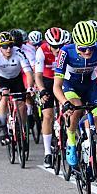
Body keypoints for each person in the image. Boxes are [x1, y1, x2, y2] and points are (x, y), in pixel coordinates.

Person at [53, 20, 97, 194]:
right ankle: (71, 141)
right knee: (76, 108)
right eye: (83, 49)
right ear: (76, 44)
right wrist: (63, 102)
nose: (88, 52)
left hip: (91, 86)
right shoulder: (65, 51)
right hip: (70, 86)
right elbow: (56, 86)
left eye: (90, 47)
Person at [0, 32, 34, 143]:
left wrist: (30, 87)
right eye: (4, 46)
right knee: (4, 97)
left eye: (10, 45)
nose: (8, 49)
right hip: (2, 79)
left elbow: (28, 73)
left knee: (22, 104)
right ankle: (3, 127)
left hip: (16, 78)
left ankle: (22, 128)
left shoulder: (19, 53)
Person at [35, 27, 68, 167]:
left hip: (63, 80)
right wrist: (42, 90)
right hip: (48, 81)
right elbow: (37, 75)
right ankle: (47, 153)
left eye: (60, 46)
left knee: (69, 110)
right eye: (55, 47)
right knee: (48, 115)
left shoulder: (67, 50)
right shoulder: (41, 50)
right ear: (48, 44)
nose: (58, 49)